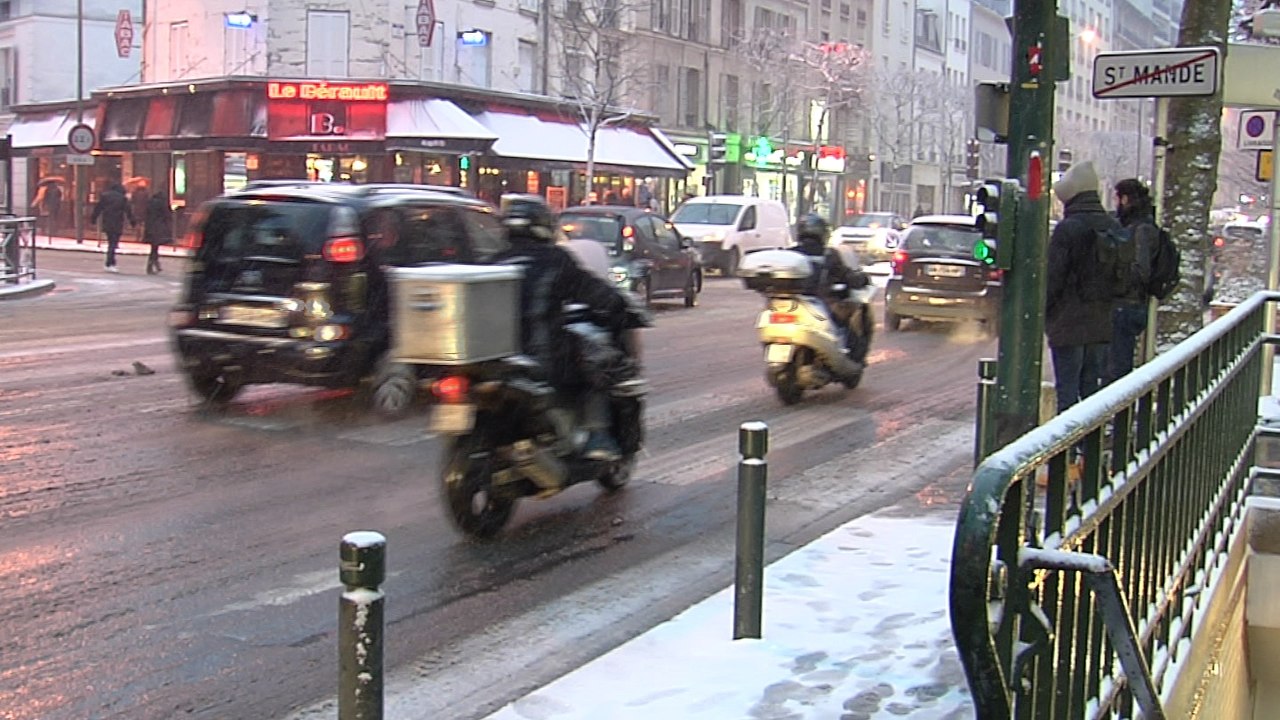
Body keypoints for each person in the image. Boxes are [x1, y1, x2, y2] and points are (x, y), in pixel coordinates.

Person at [492, 195, 638, 461]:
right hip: (543, 359)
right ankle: (598, 436)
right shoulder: (555, 260)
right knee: (597, 364)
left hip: (497, 360)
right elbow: (595, 292)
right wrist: (619, 305)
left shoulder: (494, 262)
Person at [1046, 160, 1118, 414]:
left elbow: (1054, 277)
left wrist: (1048, 315)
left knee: (1067, 392)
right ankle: (1091, 437)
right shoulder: (1111, 226)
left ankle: (1068, 438)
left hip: (1068, 322)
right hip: (1101, 321)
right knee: (1091, 390)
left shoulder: (1068, 229)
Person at [793, 213, 873, 362]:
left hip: (792, 303)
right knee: (847, 319)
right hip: (819, 304)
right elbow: (846, 276)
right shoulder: (829, 255)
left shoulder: (791, 253)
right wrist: (861, 279)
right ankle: (850, 355)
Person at [1107, 178, 1158, 384]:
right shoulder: (1144, 224)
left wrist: (1115, 276)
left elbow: (1140, 270)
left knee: (1116, 366)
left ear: (1125, 199)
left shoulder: (1139, 229)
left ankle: (1116, 403)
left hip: (1127, 305)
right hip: (1130, 304)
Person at [90, 182, 136, 272]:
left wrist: (93, 219)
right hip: (118, 222)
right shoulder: (122, 198)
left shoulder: (105, 196)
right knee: (113, 243)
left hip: (107, 221)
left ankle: (111, 262)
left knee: (111, 242)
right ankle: (110, 263)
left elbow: (98, 208)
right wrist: (132, 222)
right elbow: (128, 211)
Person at [142, 185, 173, 274]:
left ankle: (155, 264)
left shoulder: (150, 202)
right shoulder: (162, 204)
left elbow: (146, 214)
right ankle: (151, 266)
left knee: (154, 247)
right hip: (158, 228)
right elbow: (167, 215)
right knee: (155, 248)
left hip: (150, 227)